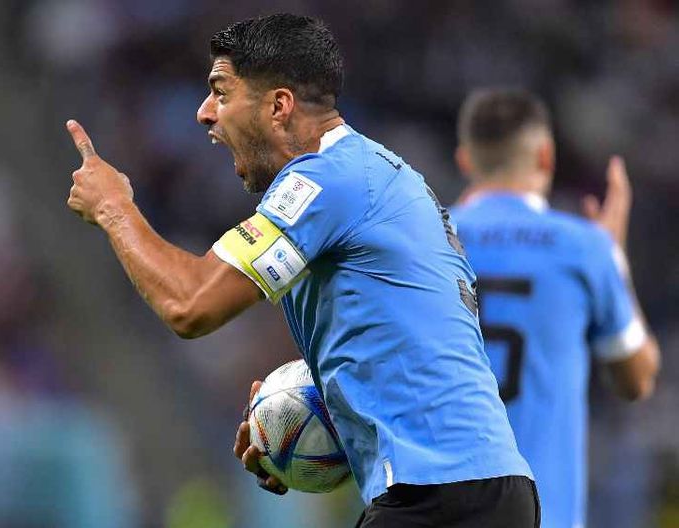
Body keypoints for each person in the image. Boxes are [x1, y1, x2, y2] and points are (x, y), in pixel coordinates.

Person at [64, 14, 538, 527]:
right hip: (480, 488)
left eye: (221, 92)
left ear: (278, 106)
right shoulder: (376, 174)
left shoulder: (326, 180)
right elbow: (410, 350)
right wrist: (297, 425)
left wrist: (113, 207)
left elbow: (190, 304)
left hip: (440, 494)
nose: (204, 113)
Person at [451, 88, 661, 528]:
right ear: (546, 156)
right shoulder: (583, 247)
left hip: (439, 511)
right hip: (543, 514)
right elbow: (636, 378)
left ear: (465, 160)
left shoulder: (423, 240)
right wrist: (615, 262)